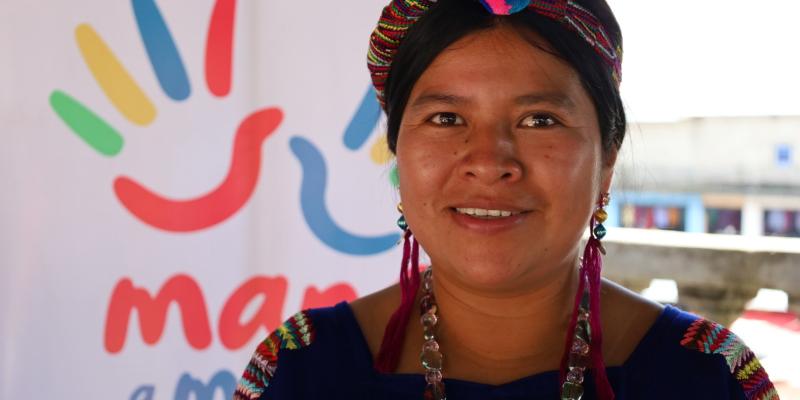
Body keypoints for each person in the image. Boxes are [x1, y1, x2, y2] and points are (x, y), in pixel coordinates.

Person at [234, 0, 779, 399]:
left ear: (607, 158)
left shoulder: (706, 377)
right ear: (399, 151)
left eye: (539, 120)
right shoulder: (300, 370)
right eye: (446, 118)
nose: (489, 161)